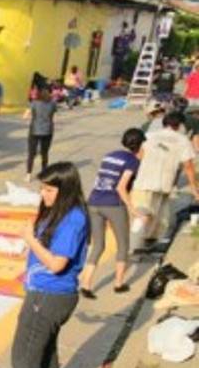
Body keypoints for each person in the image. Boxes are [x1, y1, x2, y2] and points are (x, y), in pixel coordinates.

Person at [13, 163, 89, 368]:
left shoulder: (73, 219)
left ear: (65, 189)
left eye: (49, 189)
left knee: (25, 358)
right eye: (42, 189)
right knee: (46, 355)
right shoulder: (64, 213)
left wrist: (30, 240)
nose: (43, 194)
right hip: (53, 295)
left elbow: (57, 264)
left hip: (48, 296)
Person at [79, 128, 145, 298]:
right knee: (123, 245)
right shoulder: (132, 161)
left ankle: (85, 284)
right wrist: (133, 210)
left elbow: (102, 179)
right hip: (113, 204)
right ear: (140, 145)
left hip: (94, 201)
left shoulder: (109, 155)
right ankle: (118, 283)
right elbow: (121, 187)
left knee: (98, 245)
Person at [129, 112, 199, 254]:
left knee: (141, 215)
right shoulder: (182, 140)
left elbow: (137, 157)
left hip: (143, 182)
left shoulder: (148, 137)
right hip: (164, 184)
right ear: (180, 126)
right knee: (159, 220)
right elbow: (189, 167)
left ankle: (133, 249)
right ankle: (146, 248)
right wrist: (194, 189)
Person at [23, 90, 57, 181]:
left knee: (31, 153)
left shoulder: (34, 103)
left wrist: (30, 117)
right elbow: (53, 115)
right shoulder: (52, 104)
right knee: (44, 153)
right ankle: (44, 173)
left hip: (34, 130)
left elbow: (25, 116)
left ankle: (28, 174)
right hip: (48, 131)